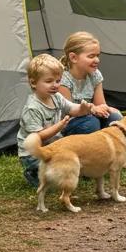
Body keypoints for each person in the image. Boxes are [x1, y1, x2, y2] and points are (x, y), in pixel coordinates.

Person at [17, 53, 90, 187]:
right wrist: (59, 126)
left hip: (52, 147)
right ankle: (32, 171)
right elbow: (37, 137)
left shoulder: (56, 97)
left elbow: (72, 108)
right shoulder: (32, 108)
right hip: (32, 153)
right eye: (49, 81)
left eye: (58, 81)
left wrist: (83, 109)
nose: (55, 85)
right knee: (49, 179)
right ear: (33, 83)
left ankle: (51, 168)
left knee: (65, 164)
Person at [56, 31, 125, 136]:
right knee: (91, 123)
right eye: (91, 56)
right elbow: (68, 111)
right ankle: (93, 143)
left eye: (98, 55)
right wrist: (93, 110)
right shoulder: (63, 79)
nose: (97, 60)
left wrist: (107, 109)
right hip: (69, 122)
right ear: (73, 58)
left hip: (89, 116)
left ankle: (106, 143)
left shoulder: (95, 75)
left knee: (114, 118)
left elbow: (101, 104)